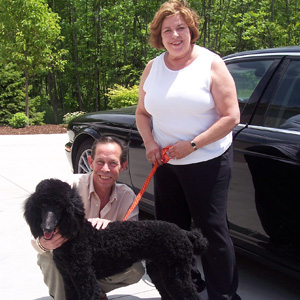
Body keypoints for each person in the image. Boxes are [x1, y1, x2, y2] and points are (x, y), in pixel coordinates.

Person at [135, 1, 241, 300]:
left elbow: (231, 116)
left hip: (207, 159)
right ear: (160, 36)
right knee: (170, 232)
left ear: (191, 30)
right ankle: (182, 289)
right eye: (167, 30)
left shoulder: (210, 63)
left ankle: (224, 295)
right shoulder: (153, 67)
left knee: (211, 231)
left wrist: (193, 144)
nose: (175, 35)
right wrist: (151, 143)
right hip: (166, 163)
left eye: (181, 27)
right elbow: (142, 114)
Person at [31, 136, 145, 300]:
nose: (105, 169)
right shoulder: (67, 187)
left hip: (99, 260)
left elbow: (133, 243)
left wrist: (112, 227)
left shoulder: (127, 196)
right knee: (50, 257)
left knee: (135, 268)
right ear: (90, 162)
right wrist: (43, 243)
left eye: (113, 163)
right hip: (68, 258)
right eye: (100, 162)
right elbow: (36, 231)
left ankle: (93, 291)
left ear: (123, 166)